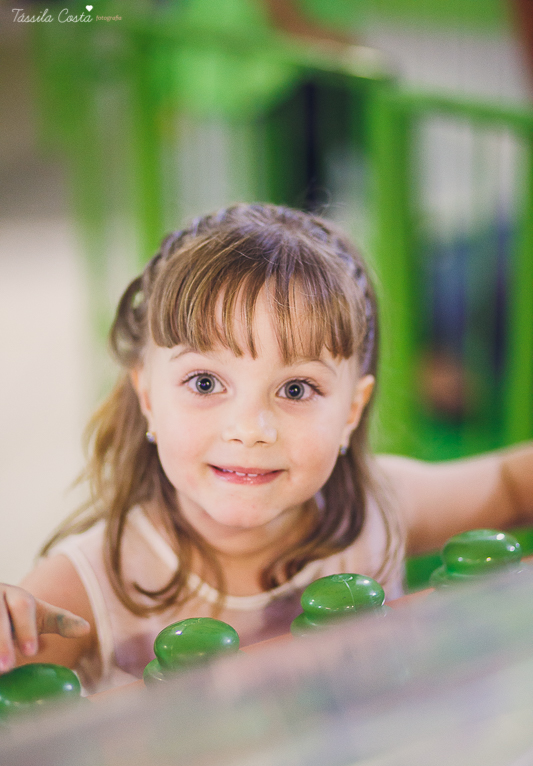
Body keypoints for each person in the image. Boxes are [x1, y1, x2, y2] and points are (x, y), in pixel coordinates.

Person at [1, 204, 532, 693]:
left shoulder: (381, 507)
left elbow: (511, 484)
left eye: (296, 389)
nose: (251, 429)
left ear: (351, 411)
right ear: (147, 397)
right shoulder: (88, 582)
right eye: (206, 383)